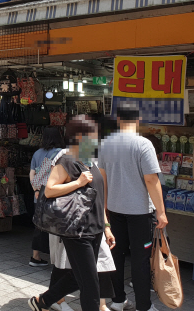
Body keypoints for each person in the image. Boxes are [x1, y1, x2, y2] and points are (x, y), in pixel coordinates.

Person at [29, 116, 115, 311]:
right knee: (91, 284)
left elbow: (98, 197)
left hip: (96, 228)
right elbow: (49, 190)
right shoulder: (67, 160)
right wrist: (78, 182)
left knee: (79, 277)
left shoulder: (90, 161)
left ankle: (42, 301)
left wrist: (107, 226)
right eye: (92, 136)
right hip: (77, 231)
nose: (96, 140)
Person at [99, 103, 166, 311]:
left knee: (116, 257)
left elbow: (103, 181)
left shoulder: (105, 144)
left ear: (118, 120)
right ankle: (144, 306)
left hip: (115, 210)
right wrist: (161, 212)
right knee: (140, 261)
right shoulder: (143, 144)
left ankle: (118, 300)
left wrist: (106, 210)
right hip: (139, 213)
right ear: (137, 120)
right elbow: (151, 180)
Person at [29, 126, 64, 267]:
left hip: (39, 194)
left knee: (39, 225)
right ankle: (56, 261)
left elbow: (31, 174)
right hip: (55, 195)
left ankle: (35, 256)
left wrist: (36, 189)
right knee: (56, 227)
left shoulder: (37, 153)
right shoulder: (61, 153)